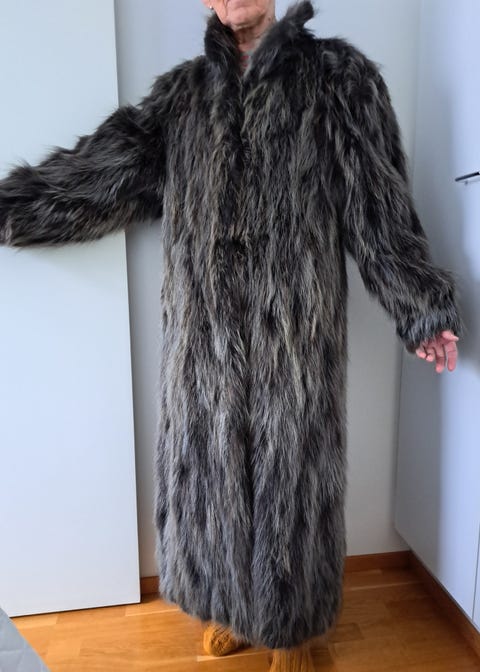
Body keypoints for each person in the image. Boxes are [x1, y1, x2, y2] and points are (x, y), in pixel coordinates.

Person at [0, 1, 463, 670]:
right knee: (210, 476)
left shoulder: (339, 76)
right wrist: (10, 210)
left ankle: (294, 633)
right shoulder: (181, 97)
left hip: (295, 338)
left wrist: (420, 306)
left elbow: (377, 206)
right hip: (203, 341)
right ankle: (232, 609)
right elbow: (96, 178)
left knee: (292, 477)